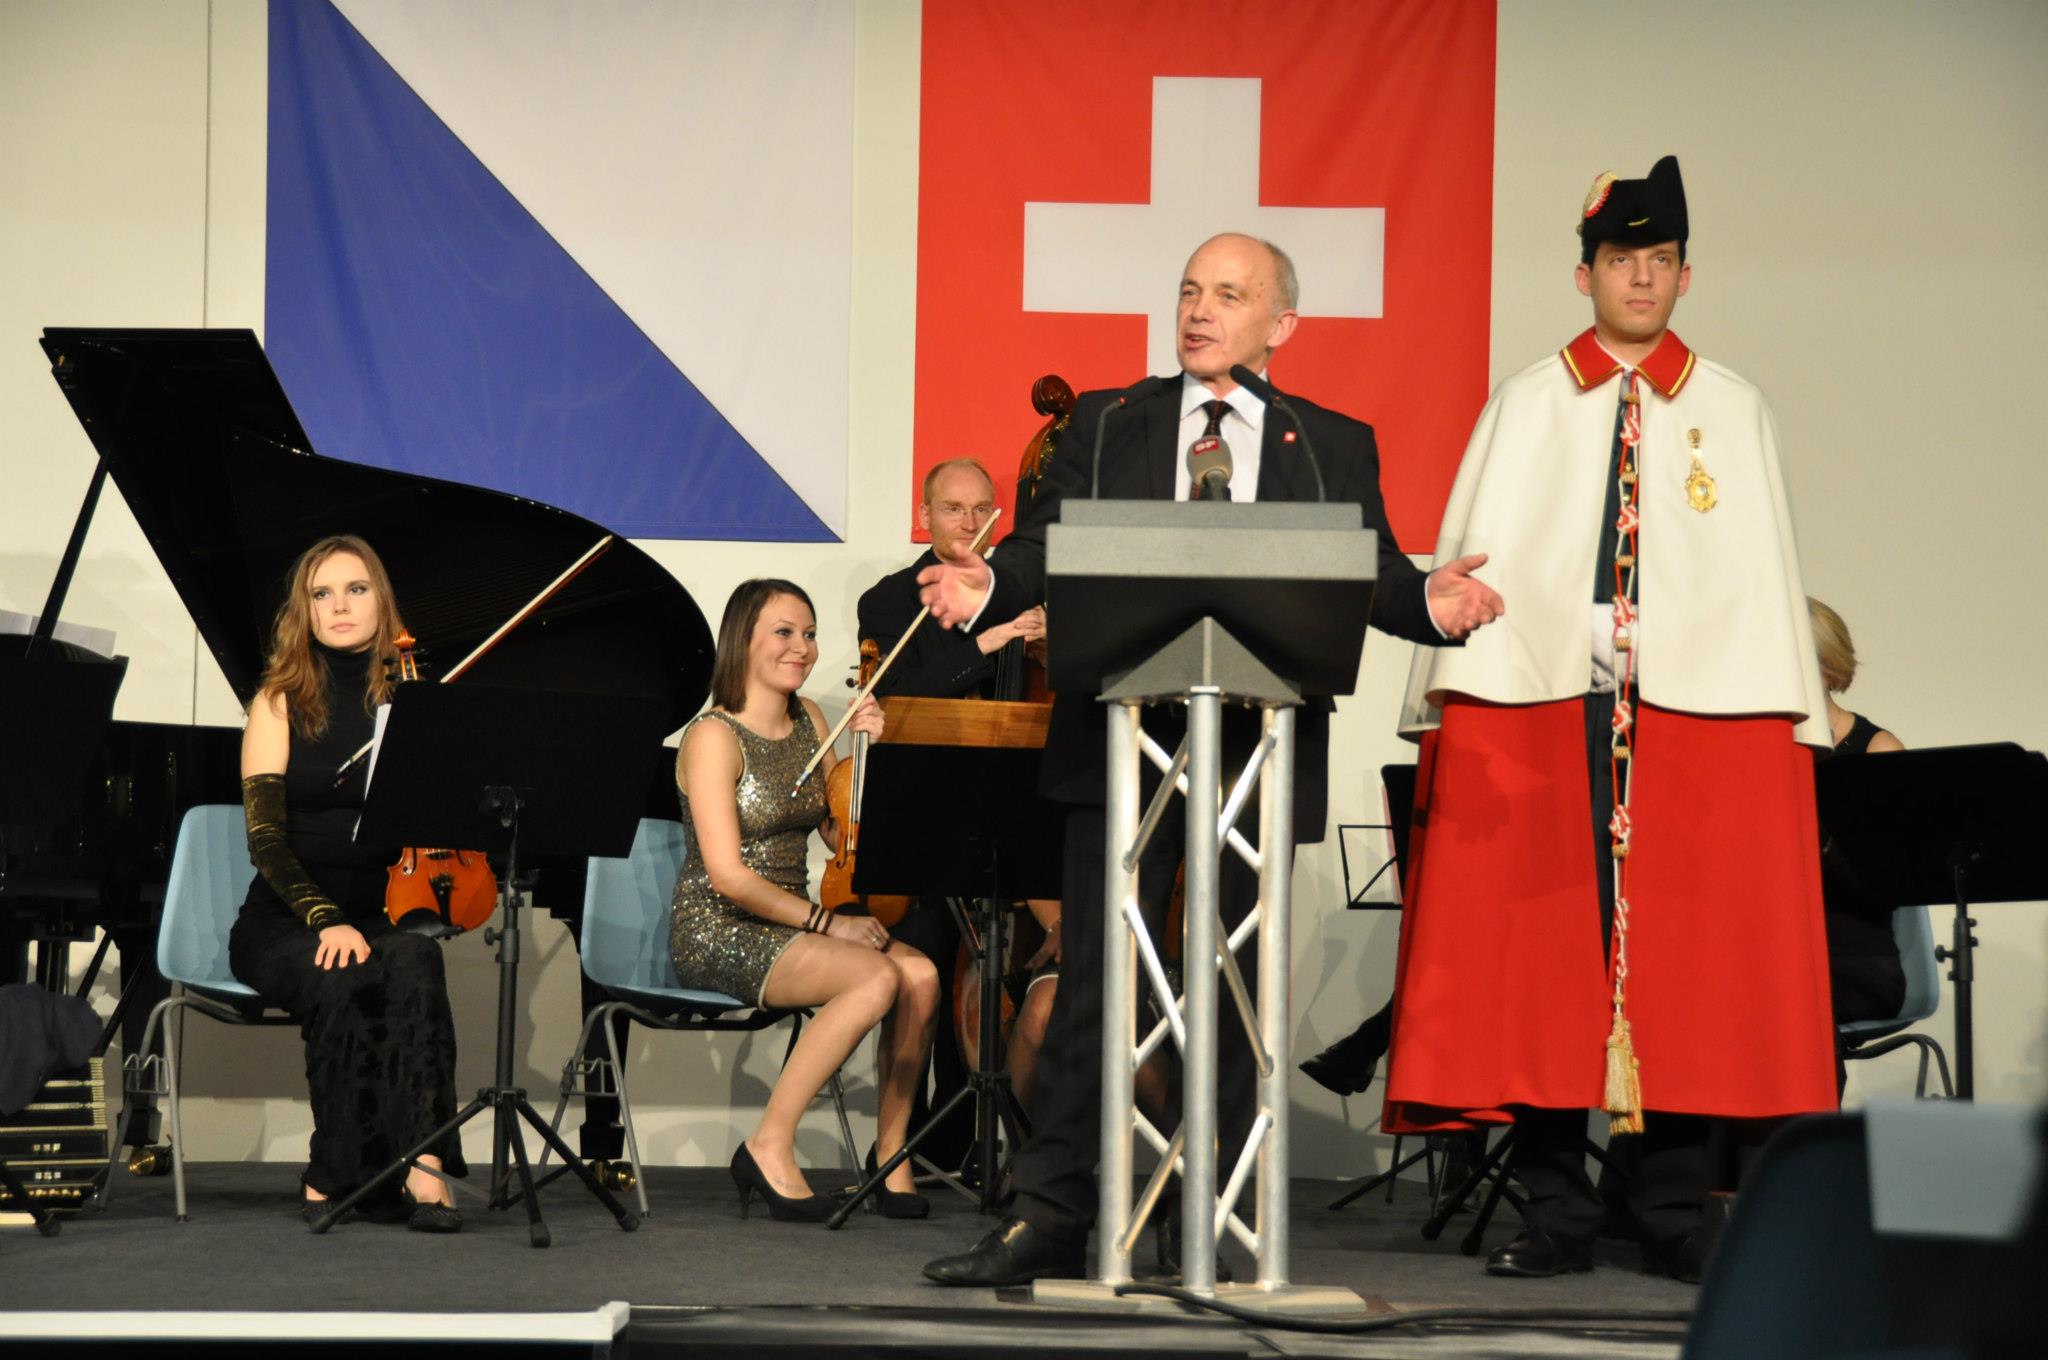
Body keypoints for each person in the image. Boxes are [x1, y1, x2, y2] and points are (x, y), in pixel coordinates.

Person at [918, 232, 1501, 1286]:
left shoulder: (1325, 441)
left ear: (1279, 325)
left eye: (1228, 295)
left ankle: (1218, 1216)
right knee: (1093, 981)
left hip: (1252, 748)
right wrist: (988, 591)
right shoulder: (1106, 423)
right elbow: (1039, 546)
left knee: (1231, 984)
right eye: (1189, 289)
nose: (1199, 309)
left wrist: (1428, 603)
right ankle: (1054, 1216)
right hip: (1117, 740)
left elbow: (1367, 566)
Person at [1381, 156, 1838, 1283]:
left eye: (1658, 261)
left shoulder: (1731, 408)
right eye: (1619, 260)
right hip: (1545, 709)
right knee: (1533, 958)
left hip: (1696, 719)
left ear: (1686, 274)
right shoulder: (1527, 401)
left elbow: (1752, 575)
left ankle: (1672, 1206)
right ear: (1582, 272)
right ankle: (1555, 1207)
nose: (1639, 278)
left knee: (1691, 956)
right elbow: (1492, 550)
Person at [670, 578, 939, 1221]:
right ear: (743, 641)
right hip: (720, 928)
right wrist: (829, 925)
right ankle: (769, 1144)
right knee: (875, 978)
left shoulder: (813, 720)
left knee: (923, 975)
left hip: (794, 923)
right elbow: (729, 877)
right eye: (784, 633)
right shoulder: (712, 737)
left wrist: (870, 751)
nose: (803, 648)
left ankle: (890, 1156)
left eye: (810, 633)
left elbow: (835, 829)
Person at [228, 535, 464, 1231]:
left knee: (417, 955)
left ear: (381, 599)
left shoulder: (411, 695)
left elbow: (443, 812)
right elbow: (266, 838)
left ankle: (423, 1168)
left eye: (355, 589)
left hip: (380, 912)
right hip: (286, 921)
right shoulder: (279, 699)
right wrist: (325, 919)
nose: (338, 605)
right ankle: (336, 1171)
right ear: (304, 609)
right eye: (321, 593)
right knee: (343, 970)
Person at [855, 458, 1055, 1171]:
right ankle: (924, 1137)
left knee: (1020, 964)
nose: (968, 524)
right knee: (934, 951)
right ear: (925, 514)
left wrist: (1044, 647)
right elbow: (906, 695)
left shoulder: (1021, 594)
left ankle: (1022, 1137)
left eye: (981, 510)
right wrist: (993, 642)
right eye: (952, 509)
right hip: (930, 813)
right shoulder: (885, 602)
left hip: (1016, 809)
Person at [1809, 597, 1907, 1030]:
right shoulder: (1750, 752)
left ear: (1829, 670)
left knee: (1787, 1005)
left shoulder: (1877, 749)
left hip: (1853, 958)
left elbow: (1890, 881)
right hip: (1770, 951)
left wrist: (1821, 843)